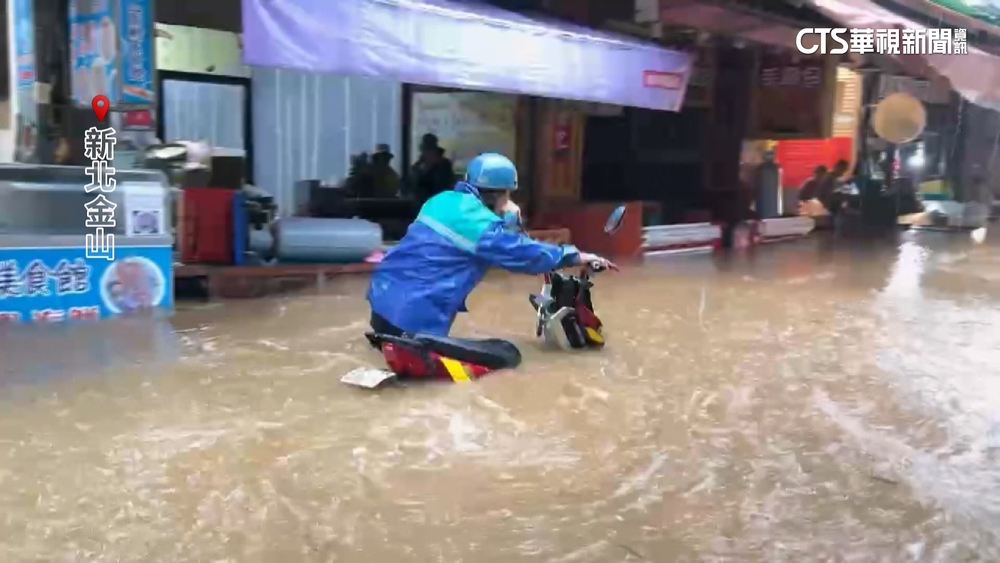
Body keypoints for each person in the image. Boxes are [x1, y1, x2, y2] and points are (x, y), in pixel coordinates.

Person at [367, 152, 614, 337]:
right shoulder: (486, 229)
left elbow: (467, 241)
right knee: (506, 360)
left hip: (380, 305)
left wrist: (505, 223)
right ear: (501, 194)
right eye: (508, 194)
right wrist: (575, 255)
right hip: (412, 320)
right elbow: (524, 254)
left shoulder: (440, 200)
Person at [408, 133, 455, 203]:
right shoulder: (418, 166)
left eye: (428, 150)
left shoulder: (444, 165)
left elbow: (443, 187)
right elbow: (408, 185)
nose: (425, 153)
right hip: (420, 206)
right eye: (425, 150)